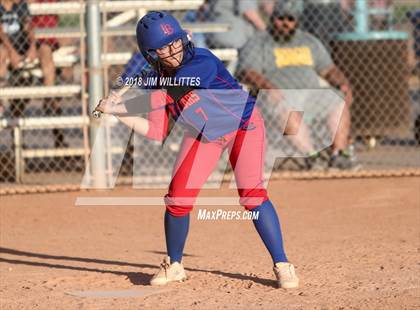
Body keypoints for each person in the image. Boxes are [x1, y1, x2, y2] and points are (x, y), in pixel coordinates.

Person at [96, 11, 299, 289]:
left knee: (252, 196)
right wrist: (117, 111)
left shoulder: (201, 61)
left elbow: (166, 92)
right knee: (177, 198)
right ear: (152, 54)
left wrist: (120, 98)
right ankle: (175, 264)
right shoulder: (159, 78)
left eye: (175, 42)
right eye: (164, 48)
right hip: (204, 133)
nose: (173, 50)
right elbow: (156, 130)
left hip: (243, 125)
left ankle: (282, 264)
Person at [237, 0, 356, 170]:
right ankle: (312, 156)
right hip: (280, 96)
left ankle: (339, 154)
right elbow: (247, 72)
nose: (285, 23)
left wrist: (342, 83)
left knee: (337, 101)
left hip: (312, 95)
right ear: (272, 18)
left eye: (290, 19)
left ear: (297, 21)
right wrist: (268, 87)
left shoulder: (309, 41)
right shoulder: (259, 42)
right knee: (288, 109)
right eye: (281, 18)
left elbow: (328, 69)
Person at [0, 0, 66, 147]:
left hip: (33, 48)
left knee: (52, 104)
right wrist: (12, 51)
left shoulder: (21, 6)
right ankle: (16, 143)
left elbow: (29, 26)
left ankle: (50, 100)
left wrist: (31, 46)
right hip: (14, 51)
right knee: (18, 102)